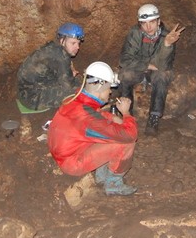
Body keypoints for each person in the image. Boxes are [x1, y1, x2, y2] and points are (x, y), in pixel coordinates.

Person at [48, 62, 138, 196]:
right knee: (126, 143)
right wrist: (126, 114)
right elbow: (129, 135)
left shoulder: (76, 99)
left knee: (109, 133)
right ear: (101, 86)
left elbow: (97, 115)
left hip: (65, 153)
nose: (110, 92)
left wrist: (114, 119)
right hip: (72, 163)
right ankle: (113, 184)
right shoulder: (87, 118)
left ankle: (101, 175)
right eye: (109, 88)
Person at [118, 3, 185, 136]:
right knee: (124, 74)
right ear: (140, 24)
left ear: (158, 22)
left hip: (155, 71)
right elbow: (124, 60)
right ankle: (127, 115)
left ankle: (154, 118)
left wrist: (167, 45)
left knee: (162, 75)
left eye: (152, 22)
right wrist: (146, 65)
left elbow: (164, 66)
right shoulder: (135, 33)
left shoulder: (167, 36)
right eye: (144, 23)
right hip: (139, 69)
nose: (148, 27)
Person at [17, 22, 85, 112]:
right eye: (73, 43)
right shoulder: (61, 55)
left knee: (76, 82)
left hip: (27, 89)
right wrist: (75, 79)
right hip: (31, 98)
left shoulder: (53, 47)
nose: (77, 47)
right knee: (76, 92)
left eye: (78, 43)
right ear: (62, 40)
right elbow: (68, 86)